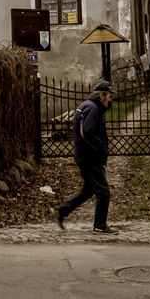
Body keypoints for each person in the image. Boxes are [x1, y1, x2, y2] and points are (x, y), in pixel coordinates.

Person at [53, 79, 118, 234]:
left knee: (89, 189)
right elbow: (87, 132)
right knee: (103, 191)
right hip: (90, 157)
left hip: (85, 156)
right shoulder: (92, 108)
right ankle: (100, 226)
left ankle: (61, 211)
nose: (110, 99)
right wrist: (101, 148)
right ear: (102, 95)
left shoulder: (87, 106)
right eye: (109, 95)